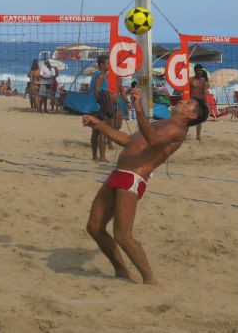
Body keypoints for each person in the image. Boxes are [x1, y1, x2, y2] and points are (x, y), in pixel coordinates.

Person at [82, 87, 208, 285]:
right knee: (94, 227)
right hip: (118, 173)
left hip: (132, 178)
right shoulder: (163, 122)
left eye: (188, 103)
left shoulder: (178, 130)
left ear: (192, 115)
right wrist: (99, 124)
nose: (182, 102)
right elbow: (128, 140)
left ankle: (150, 280)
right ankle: (122, 271)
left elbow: (154, 140)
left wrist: (138, 107)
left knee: (123, 235)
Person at [189, 64, 210, 140]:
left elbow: (204, 92)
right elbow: (187, 91)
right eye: (198, 70)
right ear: (195, 71)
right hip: (192, 101)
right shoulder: (190, 80)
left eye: (201, 70)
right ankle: (184, 136)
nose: (200, 72)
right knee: (188, 119)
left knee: (199, 120)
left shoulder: (203, 80)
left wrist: (205, 103)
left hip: (200, 101)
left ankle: (198, 136)